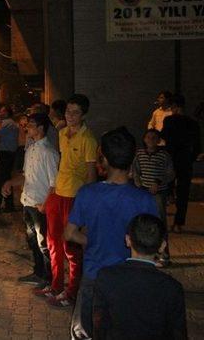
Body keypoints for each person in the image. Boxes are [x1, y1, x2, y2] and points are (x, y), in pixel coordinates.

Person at [65, 127, 158, 339]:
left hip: (94, 274)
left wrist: (92, 240)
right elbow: (152, 241)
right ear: (132, 158)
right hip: (130, 278)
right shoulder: (144, 199)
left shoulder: (88, 193)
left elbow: (69, 233)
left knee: (84, 331)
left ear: (104, 160)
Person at [34, 94, 97, 308]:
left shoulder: (88, 139)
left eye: (75, 112)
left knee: (72, 248)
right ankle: (56, 285)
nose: (70, 116)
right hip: (57, 193)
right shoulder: (61, 133)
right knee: (53, 242)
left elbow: (91, 175)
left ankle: (71, 292)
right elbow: (63, 164)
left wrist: (87, 205)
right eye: (68, 111)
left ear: (84, 114)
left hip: (74, 197)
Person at [93, 214, 187, 340]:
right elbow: (178, 333)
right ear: (162, 246)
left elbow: (99, 325)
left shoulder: (106, 277)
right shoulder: (172, 287)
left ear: (127, 240)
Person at [2, 113, 58, 287]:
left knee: (44, 243)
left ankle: (49, 278)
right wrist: (10, 183)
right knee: (33, 241)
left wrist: (45, 205)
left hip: (40, 204)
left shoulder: (49, 152)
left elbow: (54, 184)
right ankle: (38, 272)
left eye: (31, 124)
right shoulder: (31, 149)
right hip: (27, 202)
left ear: (41, 128)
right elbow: (26, 176)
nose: (27, 127)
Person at [132, 129, 174, 266]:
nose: (150, 139)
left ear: (158, 140)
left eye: (154, 137)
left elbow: (170, 173)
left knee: (160, 223)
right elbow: (135, 171)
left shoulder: (164, 155)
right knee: (143, 222)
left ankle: (164, 254)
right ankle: (148, 253)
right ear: (144, 139)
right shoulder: (139, 154)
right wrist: (138, 184)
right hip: (143, 193)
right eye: (148, 137)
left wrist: (159, 182)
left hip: (158, 194)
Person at [162, 94, 201, 232]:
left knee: (166, 187)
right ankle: (179, 222)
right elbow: (197, 145)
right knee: (183, 191)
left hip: (171, 159)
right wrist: (192, 156)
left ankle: (164, 219)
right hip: (185, 159)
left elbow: (164, 136)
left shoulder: (169, 121)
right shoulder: (192, 123)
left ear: (175, 107)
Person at [0, 104, 19, 212]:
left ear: (7, 113)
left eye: (2, 111)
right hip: (9, 154)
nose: (0, 113)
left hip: (4, 154)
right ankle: (8, 205)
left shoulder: (7, 123)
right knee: (6, 179)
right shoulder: (12, 124)